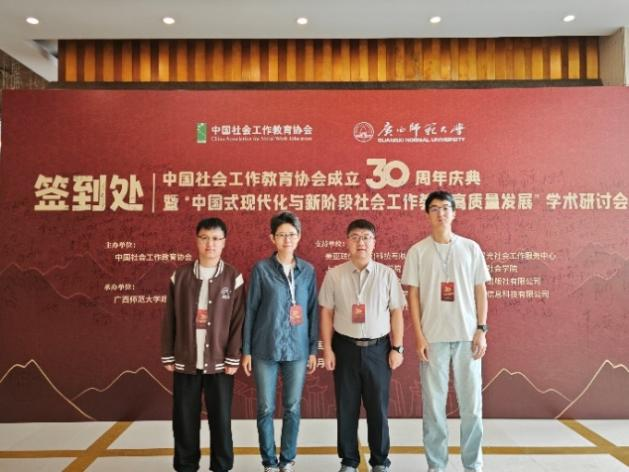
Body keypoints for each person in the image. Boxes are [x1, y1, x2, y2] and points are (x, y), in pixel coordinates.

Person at [401, 190, 491, 472]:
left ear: (454, 212)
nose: (440, 213)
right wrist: (419, 335)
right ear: (427, 214)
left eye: (445, 208)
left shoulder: (470, 248)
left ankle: (472, 465)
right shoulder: (418, 251)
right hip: (433, 338)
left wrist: (481, 329)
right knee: (433, 407)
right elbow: (413, 296)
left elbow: (481, 290)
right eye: (434, 208)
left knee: (472, 406)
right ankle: (436, 465)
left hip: (467, 337)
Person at [319, 219, 405, 472]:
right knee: (346, 407)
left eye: (366, 237)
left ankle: (380, 461)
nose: (361, 242)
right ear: (347, 242)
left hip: (379, 349)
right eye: (355, 237)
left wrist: (397, 348)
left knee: (378, 408)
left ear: (374, 243)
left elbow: (397, 312)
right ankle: (349, 461)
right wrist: (327, 349)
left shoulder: (387, 274)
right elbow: (326, 313)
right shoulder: (334, 275)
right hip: (344, 347)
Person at [160, 217, 245, 472]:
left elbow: (238, 320)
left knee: (221, 420)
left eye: (216, 239)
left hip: (220, 362)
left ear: (224, 242)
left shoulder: (233, 277)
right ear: (196, 240)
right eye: (205, 238)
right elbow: (169, 317)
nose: (210, 244)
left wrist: (233, 356)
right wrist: (168, 353)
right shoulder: (180, 276)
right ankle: (186, 466)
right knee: (184, 419)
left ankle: (222, 466)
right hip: (186, 359)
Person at [242, 211, 318, 472]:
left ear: (299, 237)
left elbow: (312, 311)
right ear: (272, 238)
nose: (287, 239)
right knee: (265, 407)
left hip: (297, 349)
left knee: (292, 407)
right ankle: (269, 461)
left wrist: (313, 349)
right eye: (282, 235)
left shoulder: (308, 271)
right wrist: (246, 350)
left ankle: (287, 459)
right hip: (265, 348)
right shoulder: (261, 269)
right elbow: (251, 310)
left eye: (292, 234)